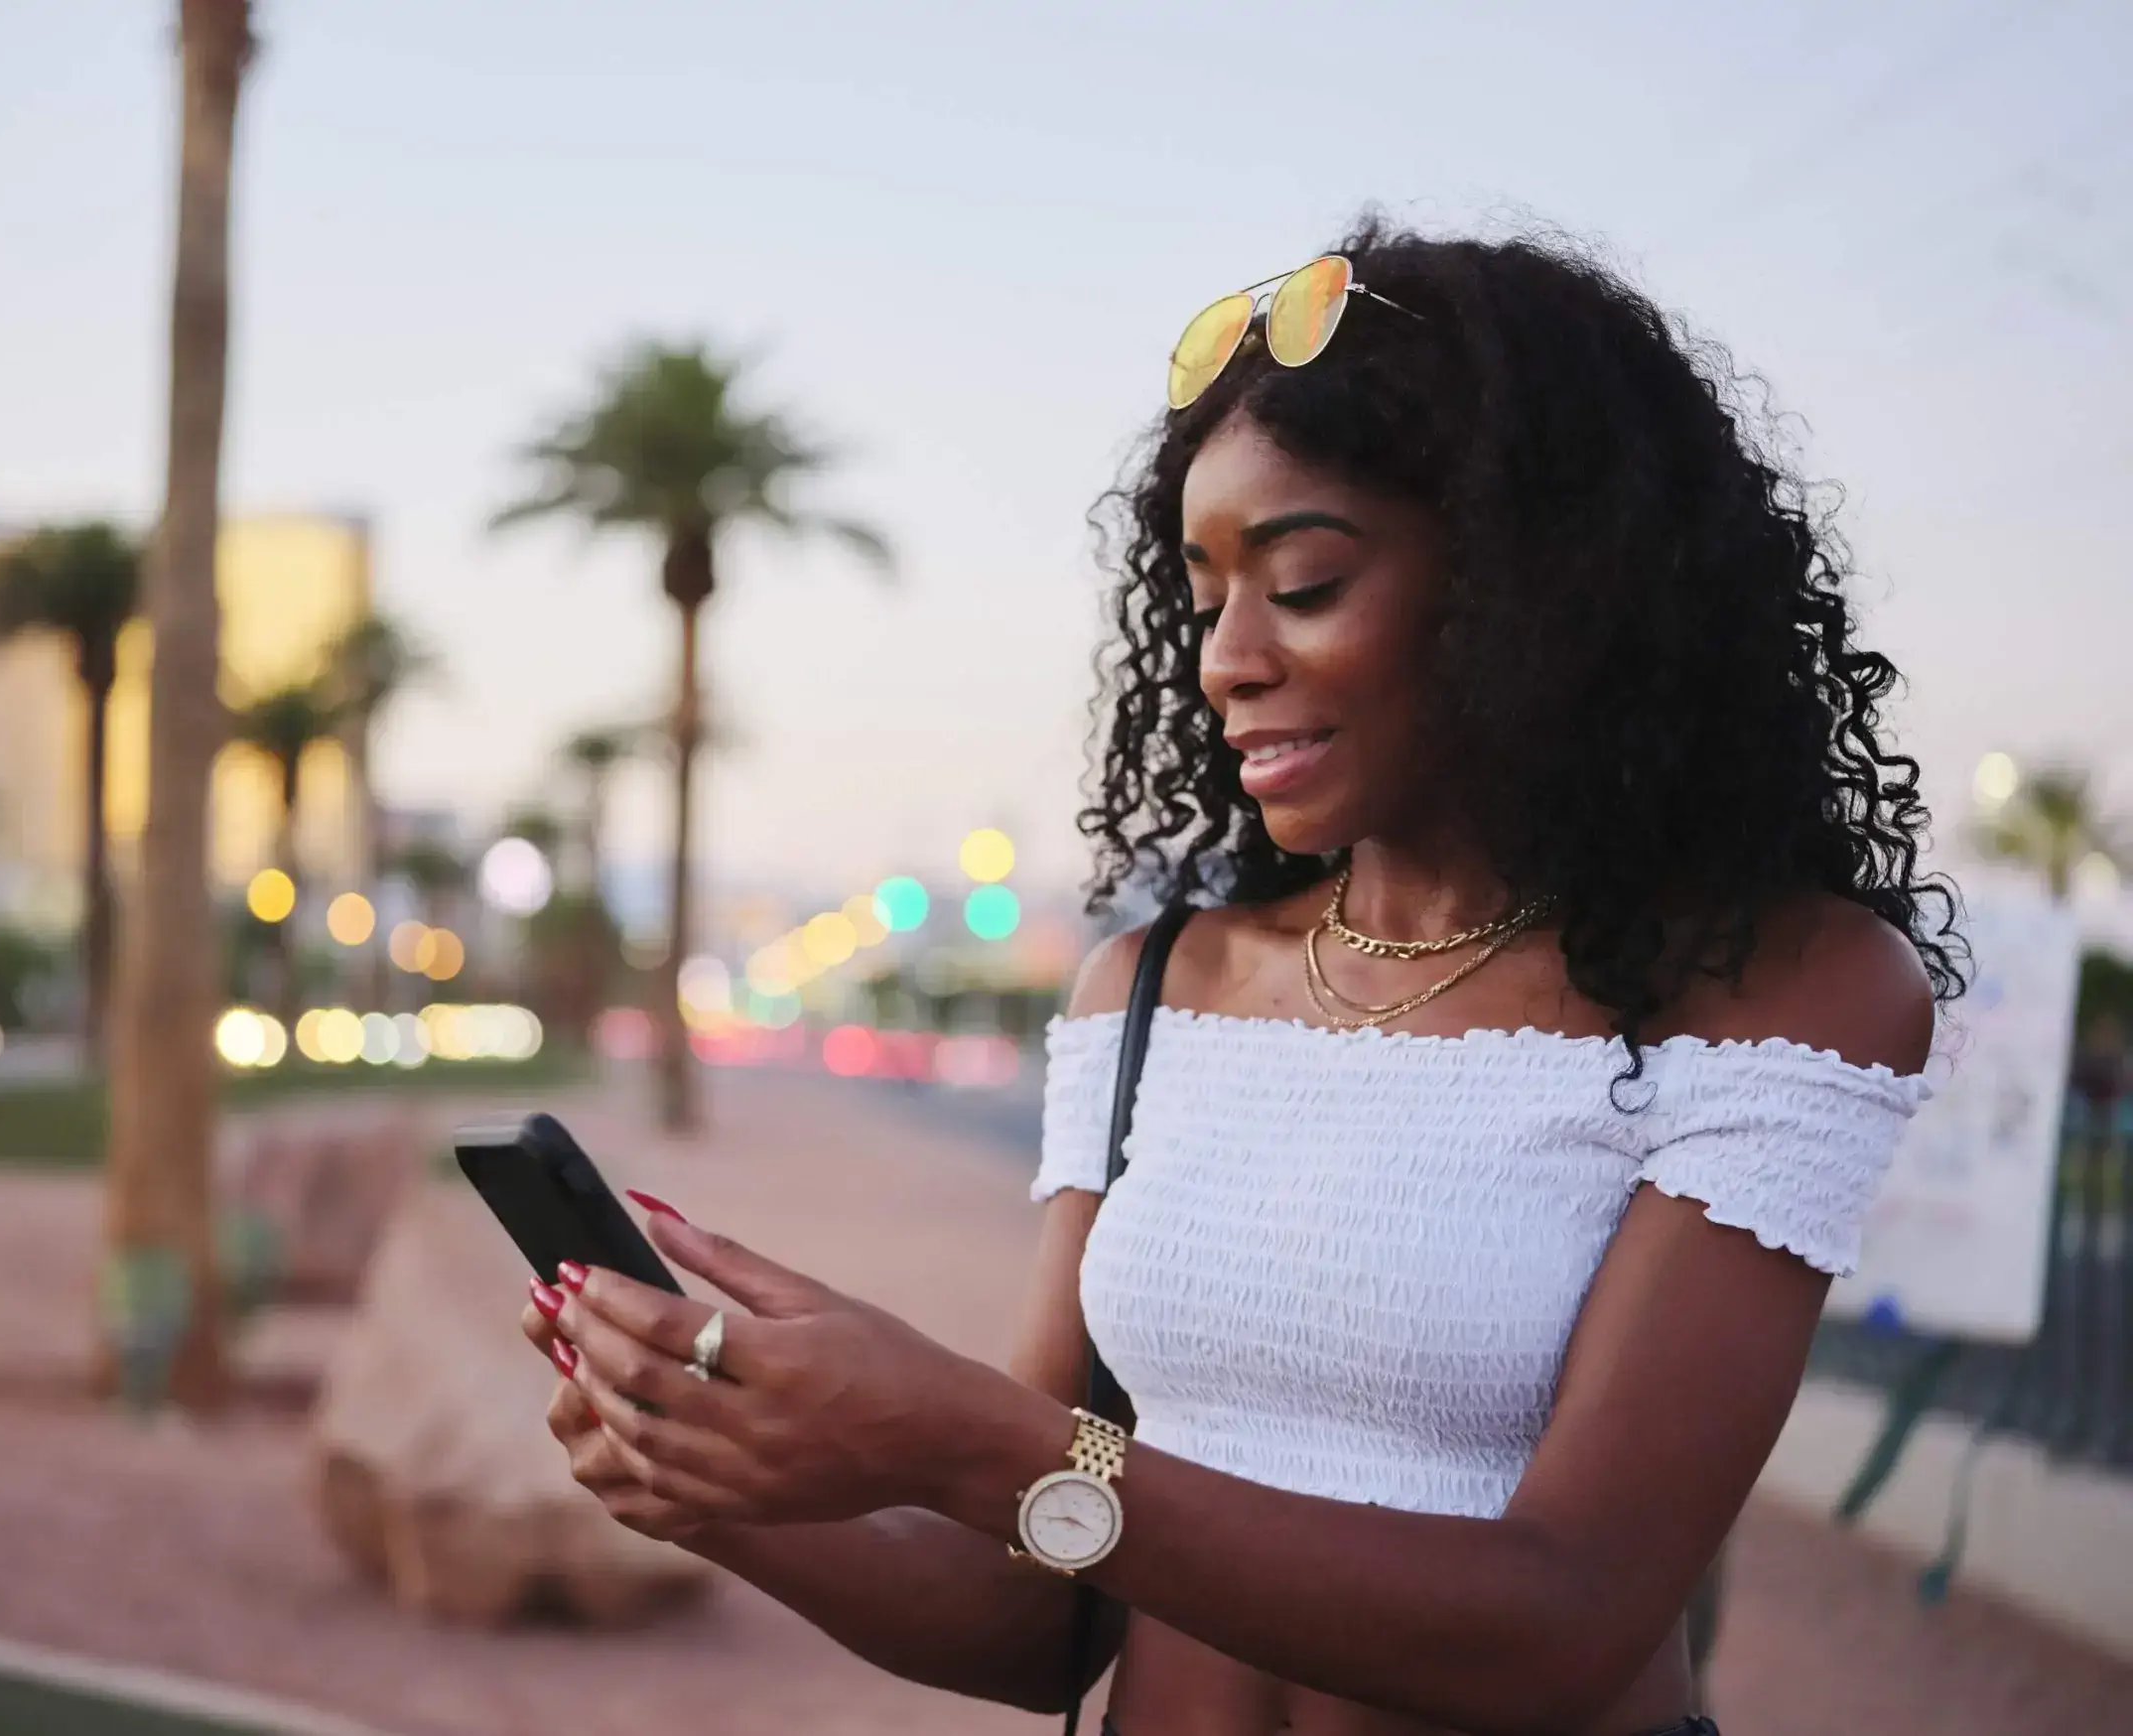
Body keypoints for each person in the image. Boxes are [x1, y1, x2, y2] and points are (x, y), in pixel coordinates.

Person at [518, 220, 1964, 1736]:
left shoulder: (1771, 992)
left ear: (1536, 587)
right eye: (1203, 595)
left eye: (1307, 582)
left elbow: (1563, 1620)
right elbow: (1038, 1618)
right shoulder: (1149, 992)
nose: (1224, 659)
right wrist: (720, 1487)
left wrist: (956, 1440)